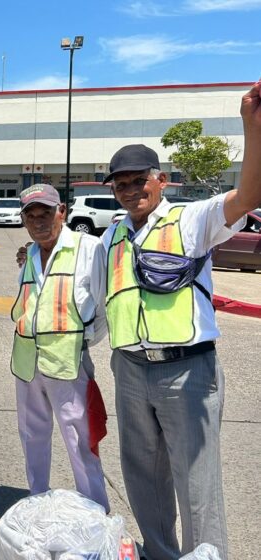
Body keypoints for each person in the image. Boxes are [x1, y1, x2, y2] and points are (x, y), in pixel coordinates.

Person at [96, 82, 261, 560]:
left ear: (160, 179)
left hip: (186, 371)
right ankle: (161, 553)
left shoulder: (192, 220)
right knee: (142, 475)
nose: (130, 190)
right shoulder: (111, 238)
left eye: (138, 180)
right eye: (120, 184)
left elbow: (249, 193)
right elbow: (95, 300)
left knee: (196, 479)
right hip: (128, 369)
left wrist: (251, 125)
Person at [10, 184, 110, 511]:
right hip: (27, 363)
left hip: (68, 363)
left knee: (80, 440)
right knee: (32, 436)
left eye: (46, 214)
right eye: (31, 215)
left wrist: (81, 342)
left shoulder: (89, 248)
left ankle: (95, 510)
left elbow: (103, 307)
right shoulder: (30, 254)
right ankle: (37, 499)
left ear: (61, 212)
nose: (39, 221)